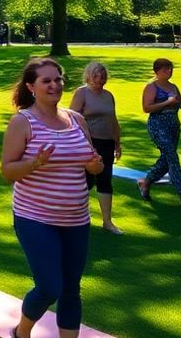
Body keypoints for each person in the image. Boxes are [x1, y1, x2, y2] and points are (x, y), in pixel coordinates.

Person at [0, 58, 103, 338]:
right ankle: (21, 333)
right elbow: (8, 171)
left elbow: (92, 162)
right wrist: (34, 163)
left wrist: (96, 166)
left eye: (58, 79)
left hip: (77, 219)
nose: (55, 85)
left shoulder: (77, 120)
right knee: (49, 287)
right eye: (47, 81)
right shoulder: (23, 122)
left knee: (71, 288)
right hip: (35, 217)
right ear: (31, 87)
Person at [137, 58, 181, 210]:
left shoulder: (173, 87)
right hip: (158, 125)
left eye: (171, 68)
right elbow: (147, 108)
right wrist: (167, 103)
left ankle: (146, 182)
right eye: (165, 69)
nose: (169, 71)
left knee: (167, 160)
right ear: (157, 71)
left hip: (173, 125)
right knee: (172, 157)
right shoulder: (151, 87)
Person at [69, 62, 123, 234]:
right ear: (88, 76)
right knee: (84, 181)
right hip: (88, 143)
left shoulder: (108, 95)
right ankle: (73, 218)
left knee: (105, 180)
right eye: (96, 75)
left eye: (103, 76)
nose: (100, 79)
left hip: (106, 143)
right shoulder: (81, 93)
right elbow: (72, 119)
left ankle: (107, 221)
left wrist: (117, 142)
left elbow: (113, 120)